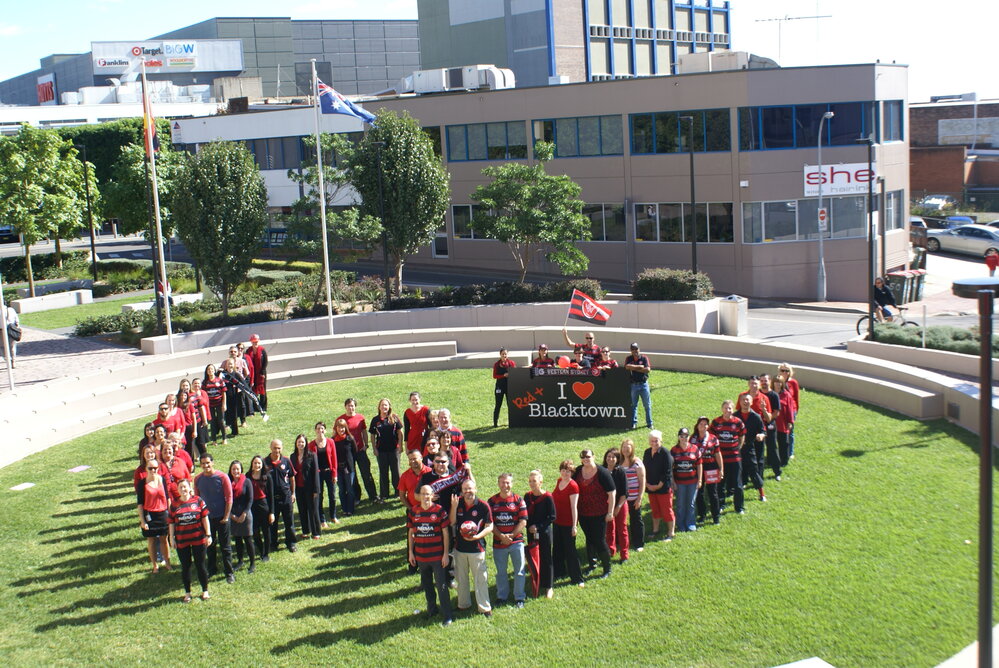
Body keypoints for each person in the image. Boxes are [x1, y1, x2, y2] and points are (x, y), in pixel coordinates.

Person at [408, 485, 453, 627]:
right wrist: (411, 552)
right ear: (419, 496)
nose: (425, 497)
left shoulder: (439, 511)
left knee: (441, 586)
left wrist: (445, 554)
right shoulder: (414, 511)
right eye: (423, 494)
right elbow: (411, 533)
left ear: (432, 495)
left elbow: (446, 533)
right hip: (421, 557)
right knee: (427, 585)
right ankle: (432, 610)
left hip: (437, 557)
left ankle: (447, 615)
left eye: (428, 494)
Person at [450, 478, 493, 617]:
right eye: (465, 489)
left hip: (477, 548)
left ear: (475, 489)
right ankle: (463, 604)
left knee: (480, 578)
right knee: (461, 578)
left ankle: (485, 607)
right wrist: (454, 507)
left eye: (470, 488)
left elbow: (490, 526)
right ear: (462, 491)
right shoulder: (458, 503)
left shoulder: (483, 506)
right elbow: (452, 522)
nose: (468, 491)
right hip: (460, 548)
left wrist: (477, 536)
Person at [572, 448, 616, 578]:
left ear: (593, 457)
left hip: (599, 513)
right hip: (583, 513)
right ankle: (592, 564)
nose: (586, 459)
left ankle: (607, 568)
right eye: (583, 457)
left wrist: (610, 512)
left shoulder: (602, 472)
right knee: (589, 539)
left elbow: (612, 492)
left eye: (588, 456)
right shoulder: (578, 471)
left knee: (599, 540)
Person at [488, 473, 529, 608]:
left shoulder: (519, 500)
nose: (505, 485)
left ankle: (519, 597)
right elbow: (490, 523)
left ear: (512, 484)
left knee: (519, 571)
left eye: (508, 483)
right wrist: (501, 536)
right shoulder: (492, 501)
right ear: (498, 484)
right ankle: (502, 596)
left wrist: (511, 536)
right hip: (499, 543)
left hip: (516, 542)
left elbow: (523, 521)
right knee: (501, 572)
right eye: (502, 482)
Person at [168, 478, 212, 602]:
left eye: (185, 487)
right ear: (178, 490)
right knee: (185, 566)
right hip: (182, 540)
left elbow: (205, 518)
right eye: (180, 487)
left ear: (190, 487)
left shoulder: (198, 501)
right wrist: (171, 538)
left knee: (200, 565)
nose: (183, 489)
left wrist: (208, 535)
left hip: (198, 539)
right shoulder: (174, 504)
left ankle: (205, 591)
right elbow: (171, 522)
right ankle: (187, 593)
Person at [194, 453, 234, 583]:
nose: (206, 465)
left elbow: (229, 498)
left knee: (225, 546)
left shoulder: (222, 477)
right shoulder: (198, 479)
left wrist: (226, 516)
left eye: (208, 463)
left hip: (222, 517)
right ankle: (212, 569)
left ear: (212, 463)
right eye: (203, 463)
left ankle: (229, 572)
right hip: (207, 519)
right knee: (209, 545)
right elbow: (197, 500)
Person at [551, 460, 585, 588]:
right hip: (557, 522)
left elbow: (574, 507)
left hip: (568, 524)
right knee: (557, 548)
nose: (565, 473)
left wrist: (574, 526)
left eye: (568, 471)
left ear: (572, 473)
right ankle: (559, 572)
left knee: (570, 551)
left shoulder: (573, 486)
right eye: (563, 470)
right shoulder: (559, 481)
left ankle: (577, 578)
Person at [712, 399, 749, 513]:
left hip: (734, 457)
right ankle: (721, 505)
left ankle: (739, 507)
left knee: (737, 484)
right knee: (721, 483)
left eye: (730, 408)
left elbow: (742, 435)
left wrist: (739, 447)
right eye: (725, 408)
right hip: (721, 458)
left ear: (733, 410)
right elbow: (711, 437)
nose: (727, 410)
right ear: (722, 409)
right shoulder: (716, 422)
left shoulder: (738, 422)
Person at [339, 398, 378, 504]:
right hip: (348, 453)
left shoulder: (360, 418)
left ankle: (373, 496)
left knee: (366, 473)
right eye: (348, 405)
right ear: (345, 407)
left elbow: (364, 432)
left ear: (355, 406)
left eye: (352, 405)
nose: (350, 408)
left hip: (360, 450)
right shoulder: (341, 419)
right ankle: (356, 497)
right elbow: (336, 434)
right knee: (353, 475)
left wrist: (366, 445)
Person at [524, 469, 555, 599]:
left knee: (546, 558)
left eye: (534, 481)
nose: (532, 483)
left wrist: (538, 527)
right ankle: (537, 580)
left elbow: (552, 516)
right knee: (534, 556)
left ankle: (549, 586)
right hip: (531, 532)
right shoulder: (527, 496)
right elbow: (525, 514)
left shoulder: (547, 497)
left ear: (540, 482)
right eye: (530, 481)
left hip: (544, 532)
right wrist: (529, 527)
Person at [136, 459, 171, 573]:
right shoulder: (142, 483)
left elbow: (167, 498)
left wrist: (170, 514)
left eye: (155, 468)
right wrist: (143, 521)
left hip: (162, 513)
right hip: (149, 514)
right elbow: (140, 504)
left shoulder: (162, 479)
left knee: (164, 539)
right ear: (146, 469)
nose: (153, 470)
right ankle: (155, 565)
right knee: (151, 541)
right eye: (150, 468)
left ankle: (167, 563)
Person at [265, 439, 297, 553]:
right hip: (272, 499)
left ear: (281, 448)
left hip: (286, 497)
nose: (277, 450)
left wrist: (293, 493)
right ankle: (273, 543)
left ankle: (291, 543)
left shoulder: (286, 461)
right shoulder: (265, 462)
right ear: (270, 448)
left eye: (279, 448)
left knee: (289, 522)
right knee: (272, 523)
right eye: (275, 448)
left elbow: (292, 478)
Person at [369, 398, 404, 502]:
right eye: (382, 405)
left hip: (394, 450)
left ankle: (398, 492)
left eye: (386, 405)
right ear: (379, 407)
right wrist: (374, 448)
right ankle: (384, 494)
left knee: (396, 472)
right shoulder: (375, 420)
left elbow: (400, 433)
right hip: (381, 451)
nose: (384, 407)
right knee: (383, 472)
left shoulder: (394, 418)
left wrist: (400, 446)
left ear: (389, 407)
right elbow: (372, 435)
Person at [643, 429, 675, 541]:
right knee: (655, 509)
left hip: (663, 487)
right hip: (650, 486)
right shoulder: (647, 452)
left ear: (660, 440)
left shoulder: (665, 453)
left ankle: (671, 532)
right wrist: (647, 484)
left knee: (667, 510)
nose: (654, 443)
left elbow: (667, 472)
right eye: (652, 441)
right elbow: (644, 469)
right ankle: (655, 530)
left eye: (656, 440)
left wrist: (658, 485)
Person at [691, 416, 723, 525]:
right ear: (697, 426)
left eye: (705, 424)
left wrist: (721, 469)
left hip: (711, 467)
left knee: (712, 493)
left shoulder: (713, 438)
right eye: (701, 424)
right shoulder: (693, 438)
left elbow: (718, 454)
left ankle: (716, 517)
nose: (703, 426)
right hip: (698, 468)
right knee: (699, 493)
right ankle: (702, 515)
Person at [291, 434, 321, 540]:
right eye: (299, 442)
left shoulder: (312, 456)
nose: (301, 444)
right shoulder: (293, 456)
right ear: (296, 443)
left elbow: (316, 473)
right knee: (302, 509)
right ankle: (305, 531)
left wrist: (316, 490)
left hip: (310, 488)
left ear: (306, 443)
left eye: (303, 442)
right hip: (298, 488)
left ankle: (316, 532)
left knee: (313, 510)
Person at [671, 428, 702, 533]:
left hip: (692, 482)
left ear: (689, 437)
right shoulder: (674, 450)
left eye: (686, 436)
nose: (684, 438)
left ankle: (690, 523)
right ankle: (681, 524)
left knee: (691, 504)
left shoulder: (695, 449)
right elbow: (670, 468)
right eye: (682, 436)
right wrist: (673, 482)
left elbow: (699, 465)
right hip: (679, 483)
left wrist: (700, 480)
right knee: (680, 504)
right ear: (678, 437)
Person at [228, 460, 256, 574]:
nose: (236, 471)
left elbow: (250, 499)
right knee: (237, 539)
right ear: (230, 470)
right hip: (233, 515)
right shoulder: (228, 482)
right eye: (233, 469)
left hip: (245, 515)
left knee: (248, 539)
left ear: (241, 470)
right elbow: (226, 499)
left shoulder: (247, 481)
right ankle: (240, 561)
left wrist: (244, 514)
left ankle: (252, 563)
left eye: (238, 469)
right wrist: (231, 515)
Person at [308, 422, 338, 527]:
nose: (320, 430)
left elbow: (334, 458)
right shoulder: (311, 445)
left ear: (325, 430)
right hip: (318, 474)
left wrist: (335, 474)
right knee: (319, 497)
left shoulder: (330, 442)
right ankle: (322, 520)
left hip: (329, 472)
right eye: (318, 428)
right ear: (315, 430)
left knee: (332, 496)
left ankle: (333, 516)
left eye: (322, 428)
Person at [602, 446, 630, 562]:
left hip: (620, 504)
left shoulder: (620, 471)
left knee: (622, 529)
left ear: (618, 459)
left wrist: (618, 507)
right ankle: (610, 551)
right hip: (607, 505)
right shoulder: (602, 471)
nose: (610, 459)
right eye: (608, 456)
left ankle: (624, 554)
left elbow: (625, 493)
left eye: (613, 457)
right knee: (609, 529)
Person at [619, 438, 646, 552]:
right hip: (622, 498)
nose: (626, 450)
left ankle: (638, 543)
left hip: (634, 497)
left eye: (628, 447)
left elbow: (642, 481)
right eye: (624, 447)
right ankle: (621, 542)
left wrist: (639, 498)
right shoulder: (619, 462)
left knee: (636, 520)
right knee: (621, 521)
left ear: (632, 449)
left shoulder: (637, 463)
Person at [247, 455, 274, 563]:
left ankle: (266, 553)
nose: (257, 465)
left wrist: (272, 512)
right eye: (255, 463)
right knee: (255, 531)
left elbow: (271, 496)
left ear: (262, 465)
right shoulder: (248, 476)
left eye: (259, 463)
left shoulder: (267, 477)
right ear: (252, 464)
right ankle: (261, 549)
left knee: (266, 530)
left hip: (263, 505)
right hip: (252, 506)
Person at [759, 373, 783, 481]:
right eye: (762, 381)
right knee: (758, 450)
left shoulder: (774, 395)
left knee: (772, 448)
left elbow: (776, 412)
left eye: (766, 380)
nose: (764, 383)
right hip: (758, 426)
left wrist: (768, 419)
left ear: (769, 382)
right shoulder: (757, 394)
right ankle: (758, 474)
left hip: (770, 425)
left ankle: (777, 472)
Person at [331, 418, 357, 517]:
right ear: (336, 428)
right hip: (338, 469)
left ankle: (350, 509)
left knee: (350, 489)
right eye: (339, 427)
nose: (340, 429)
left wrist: (351, 465)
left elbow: (354, 452)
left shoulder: (350, 439)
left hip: (349, 468)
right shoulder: (332, 441)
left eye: (342, 427)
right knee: (341, 490)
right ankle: (344, 508)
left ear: (345, 428)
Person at [625, 342, 653, 430]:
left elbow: (647, 369)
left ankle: (649, 423)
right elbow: (627, 366)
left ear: (639, 349)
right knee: (633, 405)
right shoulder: (628, 358)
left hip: (644, 384)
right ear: (630, 350)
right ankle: (633, 423)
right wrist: (640, 367)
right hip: (634, 385)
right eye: (633, 349)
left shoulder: (644, 358)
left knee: (647, 405)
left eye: (636, 349)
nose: (635, 351)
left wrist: (633, 368)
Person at [777, 363, 801, 460]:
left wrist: (796, 410)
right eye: (782, 370)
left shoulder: (793, 383)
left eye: (787, 371)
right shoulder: (776, 381)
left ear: (790, 372)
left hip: (791, 410)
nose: (784, 372)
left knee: (790, 431)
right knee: (779, 432)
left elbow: (796, 398)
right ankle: (780, 452)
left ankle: (790, 452)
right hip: (779, 410)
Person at [772, 375, 796, 472]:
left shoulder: (786, 395)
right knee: (772, 444)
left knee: (783, 443)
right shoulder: (770, 394)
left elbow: (790, 409)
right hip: (772, 423)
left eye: (780, 382)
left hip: (782, 424)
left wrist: (790, 422)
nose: (778, 384)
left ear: (782, 384)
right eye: (776, 382)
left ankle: (784, 461)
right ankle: (772, 460)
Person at [202, 364, 227, 445]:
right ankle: (214, 440)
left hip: (219, 403)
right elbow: (203, 394)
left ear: (214, 370)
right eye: (208, 369)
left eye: (212, 369)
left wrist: (224, 404)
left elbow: (223, 393)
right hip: (210, 405)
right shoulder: (205, 382)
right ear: (207, 371)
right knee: (212, 422)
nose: (210, 371)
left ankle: (224, 438)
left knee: (221, 421)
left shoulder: (219, 380)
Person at [492, 348, 516, 427]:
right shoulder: (496, 364)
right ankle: (495, 423)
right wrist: (503, 375)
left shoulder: (511, 363)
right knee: (498, 405)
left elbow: (515, 373)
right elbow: (494, 376)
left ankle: (512, 422)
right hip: (499, 387)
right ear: (500, 355)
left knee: (510, 405)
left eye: (505, 354)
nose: (504, 355)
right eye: (503, 354)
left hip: (509, 386)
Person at [219, 359, 242, 439]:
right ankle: (227, 426)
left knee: (234, 414)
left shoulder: (236, 374)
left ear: (234, 365)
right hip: (225, 396)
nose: (230, 365)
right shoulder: (223, 374)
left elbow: (243, 383)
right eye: (228, 364)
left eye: (231, 364)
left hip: (234, 396)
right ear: (226, 365)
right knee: (227, 413)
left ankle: (235, 431)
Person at [246, 333, 268, 411]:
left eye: (256, 341)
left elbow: (265, 362)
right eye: (253, 341)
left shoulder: (262, 350)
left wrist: (262, 372)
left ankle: (263, 406)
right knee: (253, 389)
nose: (255, 343)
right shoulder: (248, 350)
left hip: (261, 373)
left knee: (262, 389)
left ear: (258, 341)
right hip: (253, 373)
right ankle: (256, 406)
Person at [189, 378, 210, 459]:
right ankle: (196, 456)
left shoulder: (202, 393)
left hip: (199, 419)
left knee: (201, 440)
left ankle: (204, 457)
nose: (197, 385)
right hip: (190, 422)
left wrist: (205, 419)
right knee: (193, 441)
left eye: (198, 383)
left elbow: (203, 406)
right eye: (195, 383)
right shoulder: (185, 397)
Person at [1, 303, 19, 367]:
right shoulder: (11, 310)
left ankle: (8, 359)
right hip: (11, 329)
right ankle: (13, 361)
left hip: (1, 331)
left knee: (2, 347)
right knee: (12, 346)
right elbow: (17, 321)